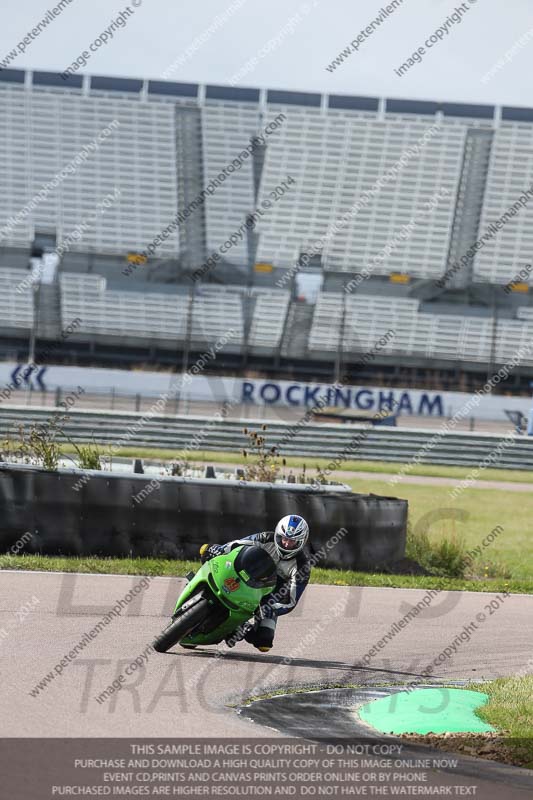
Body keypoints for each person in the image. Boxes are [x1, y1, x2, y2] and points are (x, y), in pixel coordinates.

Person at [199, 514, 311, 652]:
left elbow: (291, 601)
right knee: (206, 551)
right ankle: (199, 586)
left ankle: (240, 628)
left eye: (292, 541)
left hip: (268, 597)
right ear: (278, 535)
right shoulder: (265, 538)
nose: (286, 544)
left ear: (301, 542)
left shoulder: (302, 567)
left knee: (264, 642)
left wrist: (271, 607)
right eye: (284, 538)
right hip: (245, 575)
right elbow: (238, 544)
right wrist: (219, 549)